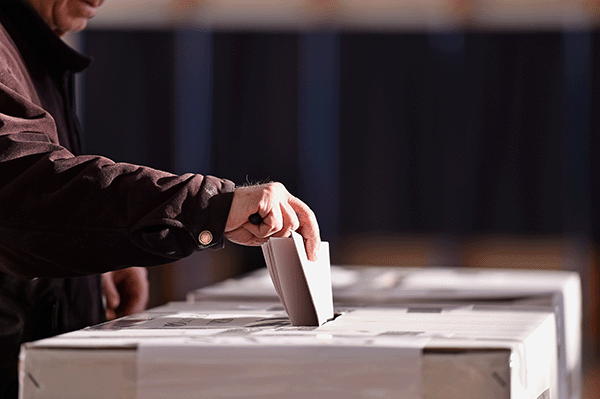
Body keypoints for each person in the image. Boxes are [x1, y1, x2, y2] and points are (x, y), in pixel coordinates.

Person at [0, 0, 321, 396]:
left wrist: (88, 262)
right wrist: (210, 206)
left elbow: (35, 218)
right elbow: (21, 197)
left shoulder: (30, 47)